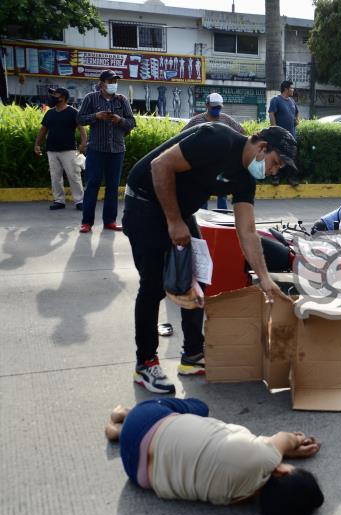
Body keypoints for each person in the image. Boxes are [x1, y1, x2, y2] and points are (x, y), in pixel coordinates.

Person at [122, 124, 296, 394]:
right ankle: (145, 364)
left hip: (179, 211)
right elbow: (160, 165)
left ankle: (192, 355)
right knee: (153, 286)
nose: (274, 171)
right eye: (276, 163)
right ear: (262, 147)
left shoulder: (245, 178)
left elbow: (247, 232)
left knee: (199, 277)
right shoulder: (218, 140)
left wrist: (265, 279)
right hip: (145, 202)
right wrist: (174, 221)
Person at [104, 398, 324, 515]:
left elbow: (285, 438)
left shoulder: (263, 457)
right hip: (136, 472)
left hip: (145, 421)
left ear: (281, 470)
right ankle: (118, 432)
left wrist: (292, 444)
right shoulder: (235, 498)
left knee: (199, 407)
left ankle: (124, 414)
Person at [77, 70, 136, 233]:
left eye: (115, 81)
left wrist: (119, 120)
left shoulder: (122, 100)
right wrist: (96, 116)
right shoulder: (91, 98)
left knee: (113, 187)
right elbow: (80, 119)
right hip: (96, 149)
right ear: (102, 83)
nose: (113, 84)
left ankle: (109, 221)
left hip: (117, 150)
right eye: (110, 81)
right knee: (92, 185)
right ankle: (86, 222)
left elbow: (132, 123)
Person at [183, 93, 244, 209]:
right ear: (207, 105)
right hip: (202, 164)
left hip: (222, 164)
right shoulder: (197, 121)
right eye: (214, 107)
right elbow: (183, 135)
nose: (216, 109)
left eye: (219, 107)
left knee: (222, 194)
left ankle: (222, 216)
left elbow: (241, 132)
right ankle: (203, 219)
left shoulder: (226, 119)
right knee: (202, 194)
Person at [34, 87, 87, 211]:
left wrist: (83, 143)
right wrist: (37, 144)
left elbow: (81, 128)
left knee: (74, 176)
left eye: (55, 94)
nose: (52, 96)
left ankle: (80, 201)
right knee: (55, 177)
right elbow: (43, 130)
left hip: (69, 150)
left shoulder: (73, 112)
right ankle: (59, 201)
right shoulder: (50, 113)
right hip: (51, 150)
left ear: (63, 97)